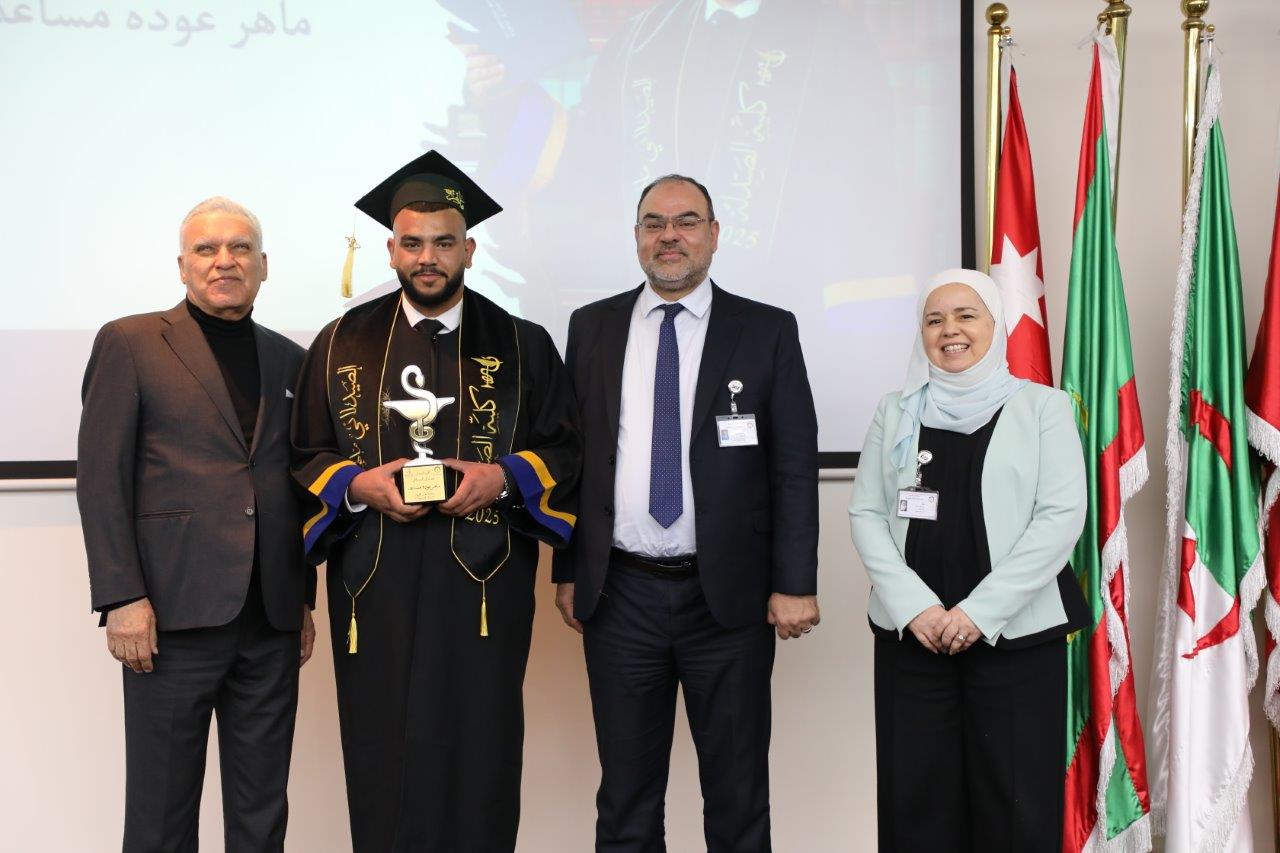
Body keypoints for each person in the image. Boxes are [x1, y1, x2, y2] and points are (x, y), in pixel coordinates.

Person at [291, 150, 581, 852]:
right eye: (413, 243)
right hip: (372, 584)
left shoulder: (522, 344)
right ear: (391, 250)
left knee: (480, 742)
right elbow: (302, 454)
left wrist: (501, 477)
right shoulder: (340, 342)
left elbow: (568, 448)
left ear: (469, 250)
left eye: (444, 243)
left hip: (483, 583)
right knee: (381, 743)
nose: (428, 258)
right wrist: (356, 485)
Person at [553, 173, 819, 852]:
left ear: (714, 234)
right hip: (621, 595)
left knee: (736, 795)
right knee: (626, 798)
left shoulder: (767, 330)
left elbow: (792, 466)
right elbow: (575, 458)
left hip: (729, 601)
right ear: (637, 237)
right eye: (654, 223)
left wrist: (795, 582)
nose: (669, 236)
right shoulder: (592, 327)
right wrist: (568, 567)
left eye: (686, 221)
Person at [77, 197, 314, 851]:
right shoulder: (130, 342)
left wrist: (302, 598)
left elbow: (294, 484)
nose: (224, 261)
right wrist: (122, 597)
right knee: (162, 816)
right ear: (182, 266)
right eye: (207, 249)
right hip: (169, 620)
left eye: (240, 248)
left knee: (262, 814)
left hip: (270, 621)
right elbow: (100, 479)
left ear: (263, 265)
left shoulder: (290, 359)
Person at [849, 269, 1090, 851]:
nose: (949, 330)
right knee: (916, 805)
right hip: (914, 639)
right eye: (934, 320)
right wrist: (916, 609)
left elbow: (1061, 517)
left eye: (966, 316)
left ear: (995, 325)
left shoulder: (1044, 408)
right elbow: (867, 514)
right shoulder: (895, 411)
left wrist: (978, 614)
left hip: (1017, 639)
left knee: (1016, 806)